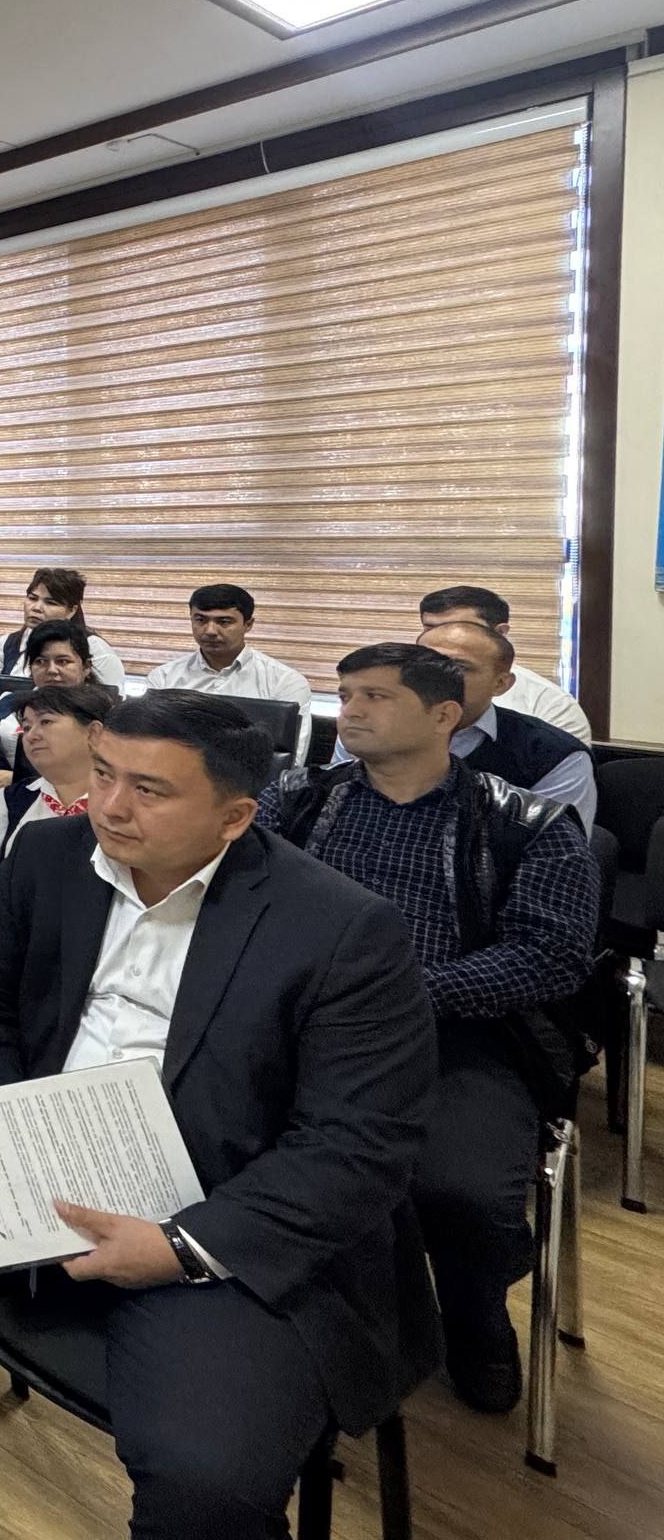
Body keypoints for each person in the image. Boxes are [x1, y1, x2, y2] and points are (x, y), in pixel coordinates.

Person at [0, 692, 437, 1540]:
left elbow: (356, 1147)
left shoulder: (342, 929)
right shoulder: (52, 854)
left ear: (234, 817)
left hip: (215, 1199)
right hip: (46, 1141)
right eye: (104, 774)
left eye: (149, 790)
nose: (109, 805)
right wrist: (6, 1127)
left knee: (204, 1478)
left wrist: (180, 1246)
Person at [263, 643, 598, 1413]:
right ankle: (291, 1315)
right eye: (345, 693)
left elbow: (547, 960)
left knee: (463, 1190)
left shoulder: (529, 824)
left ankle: (475, 1316)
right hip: (302, 1024)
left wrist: (407, 992)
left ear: (444, 714)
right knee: (225, 1135)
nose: (349, 710)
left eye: (376, 696)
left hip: (458, 1034)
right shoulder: (300, 799)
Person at [415, 619, 597, 834]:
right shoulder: (374, 733)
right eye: (423, 665)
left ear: (500, 684)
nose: (434, 677)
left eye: (458, 667)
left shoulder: (553, 755)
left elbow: (557, 856)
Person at [0, 682, 114, 925]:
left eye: (46, 722)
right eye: (26, 726)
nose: (31, 735)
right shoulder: (14, 799)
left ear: (93, 733)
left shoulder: (121, 804)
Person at [144, 582, 313, 762]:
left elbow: (290, 764)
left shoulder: (284, 682)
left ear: (248, 624)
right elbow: (146, 745)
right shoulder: (163, 679)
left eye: (224, 622)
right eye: (200, 620)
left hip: (250, 786)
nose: (210, 631)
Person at [416, 585, 592, 742]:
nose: (442, 637)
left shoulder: (550, 705)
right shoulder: (396, 687)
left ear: (500, 632)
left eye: (462, 627)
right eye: (430, 628)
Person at [0, 566, 127, 689]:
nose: (36, 608)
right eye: (32, 598)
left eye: (50, 603)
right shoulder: (6, 645)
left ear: (71, 610)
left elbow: (111, 710)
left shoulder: (96, 650)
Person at [0, 617, 96, 762]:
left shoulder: (102, 716)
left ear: (86, 667)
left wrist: (14, 777)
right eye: (41, 661)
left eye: (63, 661)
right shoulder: (7, 703)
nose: (51, 670)